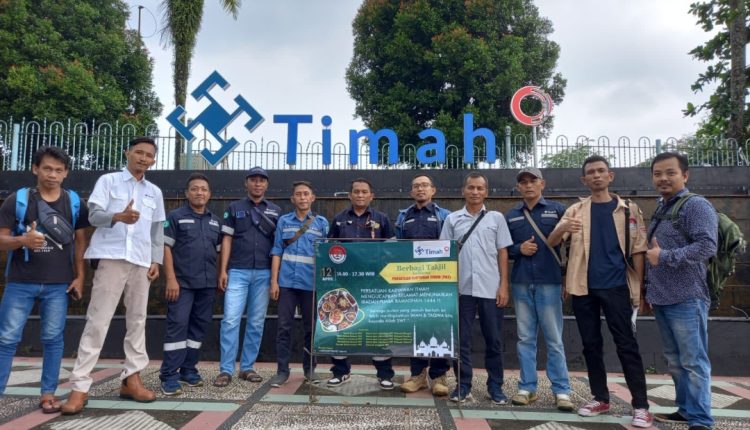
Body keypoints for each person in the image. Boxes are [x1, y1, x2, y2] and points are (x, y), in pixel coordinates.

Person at [61, 137, 166, 415]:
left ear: (154, 160)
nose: (143, 158)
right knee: (98, 321)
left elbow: (157, 231)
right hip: (111, 257)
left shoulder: (154, 192)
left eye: (149, 155)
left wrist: (156, 260)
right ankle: (80, 387)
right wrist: (118, 217)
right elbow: (93, 216)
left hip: (141, 262)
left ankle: (132, 379)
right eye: (139, 152)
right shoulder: (108, 181)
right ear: (127, 152)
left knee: (137, 321)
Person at [548, 155, 652, 428]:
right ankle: (600, 398)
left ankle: (641, 405)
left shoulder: (628, 210)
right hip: (583, 287)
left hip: (617, 286)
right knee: (591, 345)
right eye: (591, 172)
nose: (596, 175)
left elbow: (639, 250)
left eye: (601, 171)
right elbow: (552, 241)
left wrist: (640, 289)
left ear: (610, 176)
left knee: (627, 345)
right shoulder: (575, 210)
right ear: (584, 180)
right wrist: (563, 227)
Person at [0, 146, 89, 414]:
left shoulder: (74, 202)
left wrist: (80, 277)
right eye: (47, 168)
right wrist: (22, 240)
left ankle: (48, 394)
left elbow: (80, 242)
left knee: (53, 339)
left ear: (66, 173)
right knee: (6, 339)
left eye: (58, 170)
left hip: (58, 284)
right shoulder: (17, 200)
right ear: (35, 168)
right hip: (20, 282)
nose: (52, 174)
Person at [646, 152, 717, 430]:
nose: (663, 178)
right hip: (663, 297)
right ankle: (686, 410)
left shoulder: (696, 205)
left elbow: (707, 246)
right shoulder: (662, 206)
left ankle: (701, 420)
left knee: (693, 361)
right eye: (657, 174)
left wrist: (664, 257)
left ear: (684, 175)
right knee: (676, 361)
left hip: (688, 297)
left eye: (670, 173)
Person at [439, 172, 512, 404]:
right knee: (462, 340)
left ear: (486, 192)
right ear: (463, 190)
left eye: (480, 188)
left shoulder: (496, 218)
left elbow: (503, 252)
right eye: (471, 187)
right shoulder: (452, 219)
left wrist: (504, 285)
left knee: (494, 340)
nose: (475, 192)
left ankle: (495, 387)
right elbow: (445, 254)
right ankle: (463, 385)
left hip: (491, 288)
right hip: (462, 290)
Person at [505, 167, 573, 411]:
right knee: (525, 338)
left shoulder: (558, 210)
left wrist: (567, 279)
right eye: (523, 182)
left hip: (550, 281)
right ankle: (527, 388)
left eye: (532, 181)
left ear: (542, 184)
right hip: (521, 281)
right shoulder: (511, 215)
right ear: (518, 187)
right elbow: (503, 248)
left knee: (554, 339)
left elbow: (572, 246)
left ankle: (562, 390)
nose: (528, 185)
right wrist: (518, 249)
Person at [214, 167, 280, 387]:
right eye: (253, 180)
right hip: (238, 272)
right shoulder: (234, 208)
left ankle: (248, 367)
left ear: (267, 184)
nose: (257, 184)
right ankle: (226, 370)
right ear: (246, 183)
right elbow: (226, 240)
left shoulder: (275, 210)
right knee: (230, 320)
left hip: (264, 272)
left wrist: (275, 277)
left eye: (262, 180)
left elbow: (278, 246)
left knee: (256, 322)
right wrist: (223, 270)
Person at [327, 178, 395, 390]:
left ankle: (384, 374)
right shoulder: (339, 219)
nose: (360, 195)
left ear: (371, 196)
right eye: (356, 191)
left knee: (378, 328)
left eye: (364, 191)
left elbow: (392, 250)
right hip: (345, 283)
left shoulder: (382, 219)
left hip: (374, 284)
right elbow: (329, 249)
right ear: (350, 195)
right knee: (340, 325)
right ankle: (340, 372)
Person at [159, 173, 221, 396]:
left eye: (203, 189)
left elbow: (219, 252)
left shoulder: (215, 221)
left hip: (207, 284)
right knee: (177, 326)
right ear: (187, 193)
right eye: (195, 189)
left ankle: (188, 370)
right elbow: (165, 247)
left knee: (198, 328)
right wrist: (171, 279)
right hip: (182, 284)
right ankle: (169, 375)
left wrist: (219, 276)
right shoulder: (175, 217)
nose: (199, 193)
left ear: (209, 194)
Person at [395, 174, 452, 397]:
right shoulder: (403, 217)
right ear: (411, 192)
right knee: (415, 324)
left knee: (439, 325)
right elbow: (398, 247)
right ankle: (417, 375)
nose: (420, 189)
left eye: (425, 185)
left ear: (433, 190)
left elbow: (450, 246)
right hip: (411, 281)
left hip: (439, 279)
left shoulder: (444, 215)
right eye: (416, 186)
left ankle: (439, 376)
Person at [268, 181, 329, 387]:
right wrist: (274, 281)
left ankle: (310, 369)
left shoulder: (321, 223)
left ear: (312, 198)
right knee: (283, 328)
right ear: (292, 199)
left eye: (306, 194)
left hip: (311, 284)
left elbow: (327, 254)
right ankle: (282, 371)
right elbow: (277, 251)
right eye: (298, 194)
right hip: (286, 284)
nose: (302, 197)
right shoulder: (284, 221)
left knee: (311, 329)